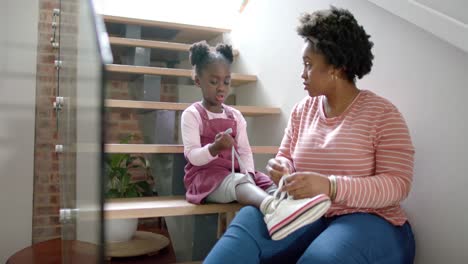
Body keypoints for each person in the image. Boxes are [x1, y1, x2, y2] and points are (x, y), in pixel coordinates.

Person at [204, 6, 416, 264]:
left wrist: (331, 186)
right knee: (248, 222)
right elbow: (285, 157)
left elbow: (397, 185)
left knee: (321, 257)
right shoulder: (302, 111)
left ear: (337, 68)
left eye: (308, 65)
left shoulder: (382, 114)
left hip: (370, 220)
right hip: (304, 212)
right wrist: (282, 167)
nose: (302, 74)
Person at [182, 41, 331, 240]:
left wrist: (249, 174)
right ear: (198, 80)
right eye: (213, 81)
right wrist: (214, 148)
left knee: (263, 180)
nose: (221, 88)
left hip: (235, 173)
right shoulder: (192, 115)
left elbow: (244, 151)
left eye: (226, 82)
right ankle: (272, 209)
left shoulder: (235, 116)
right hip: (205, 178)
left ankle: (290, 205)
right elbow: (193, 157)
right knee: (239, 181)